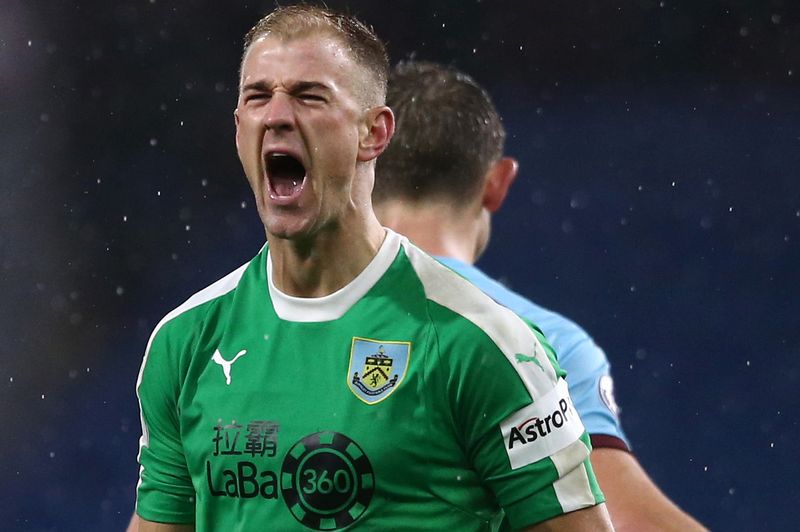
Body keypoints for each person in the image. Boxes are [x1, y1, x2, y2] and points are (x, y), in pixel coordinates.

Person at [131, 6, 613, 531]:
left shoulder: (478, 342)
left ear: (374, 133)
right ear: (239, 128)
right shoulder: (184, 343)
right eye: (257, 96)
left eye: (309, 96)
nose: (277, 115)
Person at [373, 61, 708, 532]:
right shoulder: (540, 340)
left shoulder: (265, 321)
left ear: (360, 169)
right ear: (497, 183)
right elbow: (627, 521)